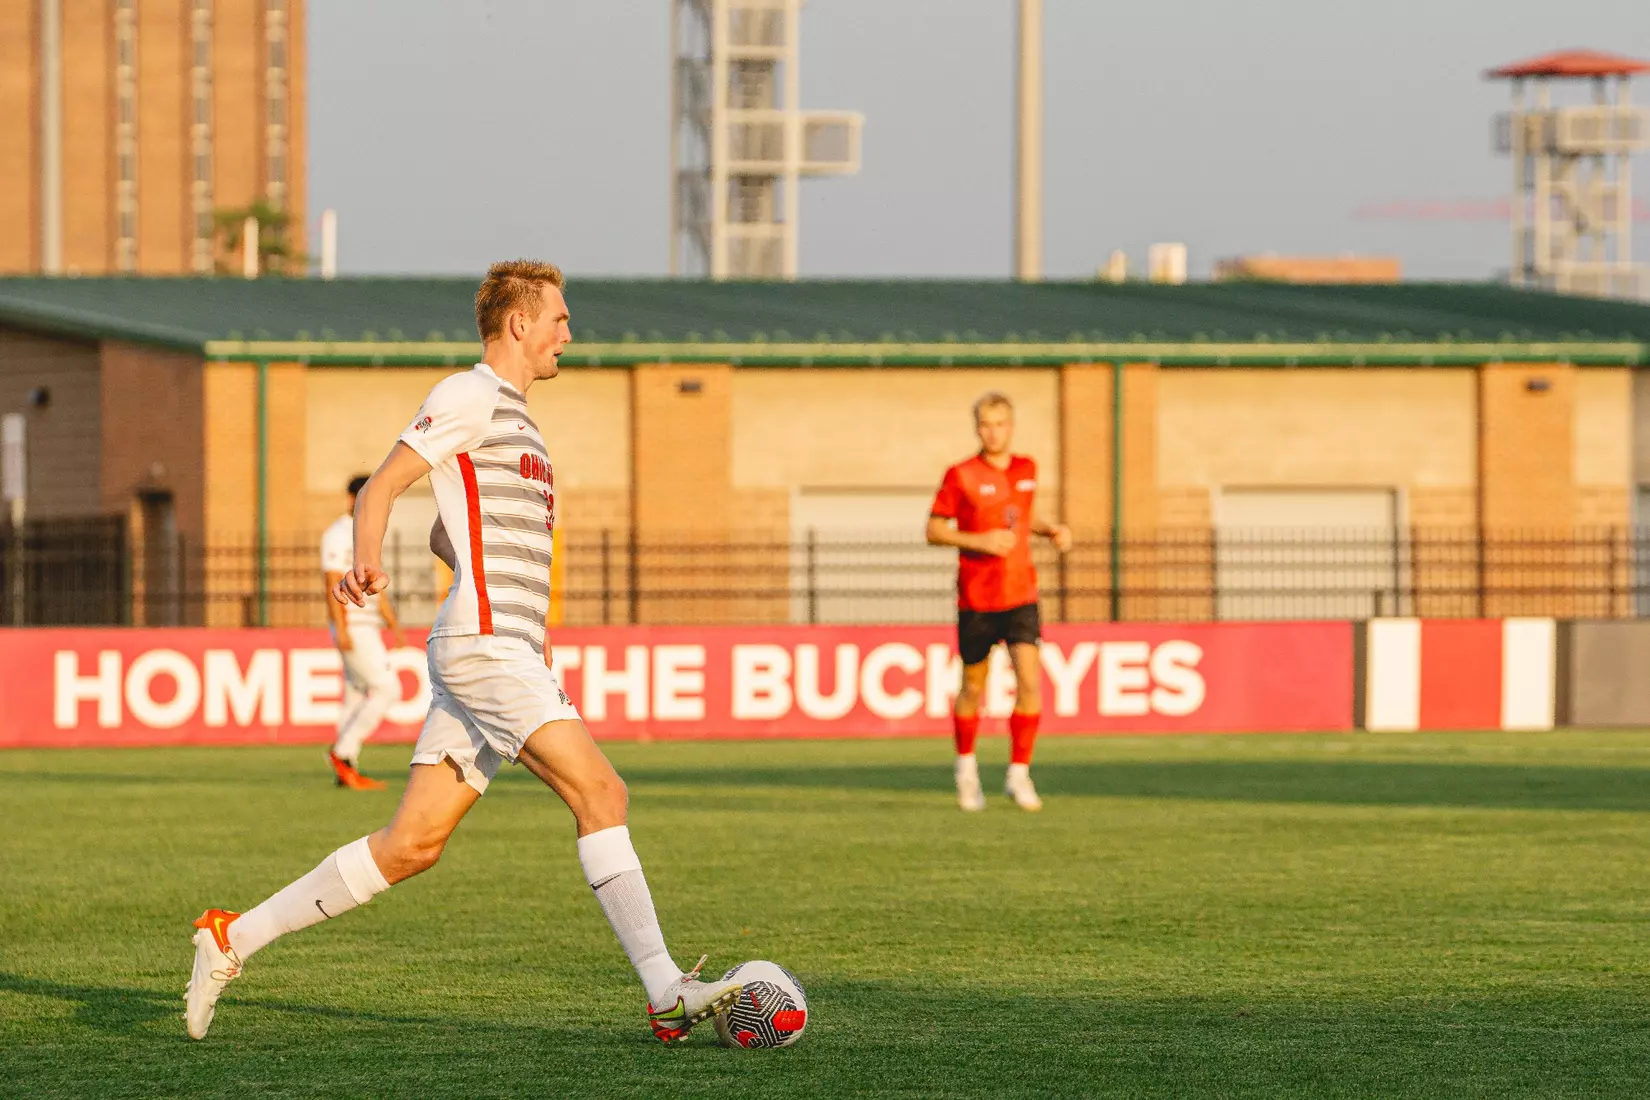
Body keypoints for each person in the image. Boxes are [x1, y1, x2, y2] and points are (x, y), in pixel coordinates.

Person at [185, 260, 744, 1043]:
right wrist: (365, 562)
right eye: (559, 317)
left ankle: (230, 936)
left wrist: (460, 549)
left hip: (498, 646)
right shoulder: (468, 394)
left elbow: (455, 528)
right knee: (602, 795)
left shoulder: (516, 417)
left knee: (411, 845)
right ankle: (665, 989)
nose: (567, 332)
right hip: (486, 648)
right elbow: (378, 486)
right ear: (518, 323)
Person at [926, 392, 1071, 812]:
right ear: (977, 427)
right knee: (974, 686)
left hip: (1021, 593)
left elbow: (1025, 517)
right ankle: (966, 769)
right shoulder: (961, 475)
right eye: (986, 423)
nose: (993, 431)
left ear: (1011, 426)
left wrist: (1051, 529)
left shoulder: (1027, 469)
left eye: (1000, 423)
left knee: (1030, 681)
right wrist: (979, 541)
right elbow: (934, 530)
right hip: (977, 598)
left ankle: (1018, 774)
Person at [319, 474, 404, 790]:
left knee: (355, 694)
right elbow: (331, 582)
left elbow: (374, 584)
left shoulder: (365, 534)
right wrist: (341, 628)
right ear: (353, 498)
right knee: (388, 689)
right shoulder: (337, 535)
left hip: (368, 625)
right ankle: (342, 752)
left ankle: (347, 765)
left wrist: (392, 623)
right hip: (353, 625)